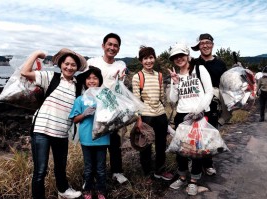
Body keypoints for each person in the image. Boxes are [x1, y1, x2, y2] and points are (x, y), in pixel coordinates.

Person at [20, 48, 86, 199]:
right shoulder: (50, 77)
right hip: (42, 130)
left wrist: (72, 52)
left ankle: (63, 191)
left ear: (77, 68)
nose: (69, 67)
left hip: (62, 132)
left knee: (60, 167)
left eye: (73, 65)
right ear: (61, 64)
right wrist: (36, 54)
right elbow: (25, 72)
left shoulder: (78, 86)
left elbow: (87, 68)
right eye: (66, 63)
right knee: (40, 171)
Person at [168, 43, 213, 195]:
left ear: (187, 55)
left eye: (181, 55)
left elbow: (209, 92)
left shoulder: (199, 69)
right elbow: (173, 100)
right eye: (175, 57)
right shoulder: (177, 75)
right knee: (182, 150)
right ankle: (181, 177)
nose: (178, 58)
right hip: (181, 115)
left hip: (198, 115)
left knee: (196, 151)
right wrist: (175, 83)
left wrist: (199, 109)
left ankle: (194, 180)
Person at [84, 33, 128, 184]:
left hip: (113, 108)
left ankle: (117, 171)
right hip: (95, 108)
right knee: (95, 142)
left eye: (115, 46)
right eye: (109, 44)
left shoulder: (120, 65)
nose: (112, 47)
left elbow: (121, 84)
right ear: (103, 46)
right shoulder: (93, 62)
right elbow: (86, 81)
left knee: (114, 142)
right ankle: (93, 174)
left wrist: (121, 79)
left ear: (118, 49)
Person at [131, 46, 173, 183]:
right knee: (145, 146)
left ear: (154, 58)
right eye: (145, 58)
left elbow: (161, 96)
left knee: (161, 145)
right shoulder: (138, 77)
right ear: (141, 60)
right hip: (146, 115)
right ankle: (147, 173)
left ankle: (160, 170)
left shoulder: (159, 75)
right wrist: (138, 120)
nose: (148, 61)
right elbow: (136, 100)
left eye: (151, 57)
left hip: (160, 114)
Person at [69, 66, 108, 199]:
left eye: (95, 78)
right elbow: (75, 119)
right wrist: (85, 114)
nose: (92, 81)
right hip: (86, 139)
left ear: (100, 80)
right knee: (88, 167)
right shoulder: (80, 99)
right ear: (85, 81)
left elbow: (115, 114)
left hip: (103, 137)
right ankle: (87, 190)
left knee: (101, 168)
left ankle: (101, 190)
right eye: (89, 78)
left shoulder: (105, 97)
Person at [191, 33, 227, 176]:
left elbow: (225, 84)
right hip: (197, 105)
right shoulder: (194, 63)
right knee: (196, 136)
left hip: (213, 106)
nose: (205, 45)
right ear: (199, 46)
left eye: (207, 42)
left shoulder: (220, 64)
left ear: (212, 44)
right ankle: (196, 164)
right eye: (202, 43)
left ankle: (208, 163)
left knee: (210, 135)